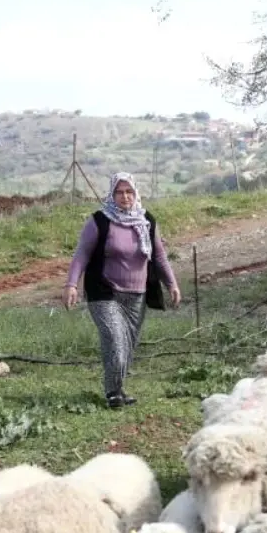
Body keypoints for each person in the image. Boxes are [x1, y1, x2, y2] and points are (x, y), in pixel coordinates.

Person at [63, 172, 181, 409]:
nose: (125, 197)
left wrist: (172, 284)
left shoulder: (146, 220)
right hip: (105, 292)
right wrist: (71, 284)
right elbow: (82, 254)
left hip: (137, 294)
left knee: (127, 345)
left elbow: (158, 256)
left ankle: (117, 388)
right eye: (119, 192)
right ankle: (113, 393)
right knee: (115, 339)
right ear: (112, 194)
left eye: (129, 192)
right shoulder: (100, 220)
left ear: (136, 193)